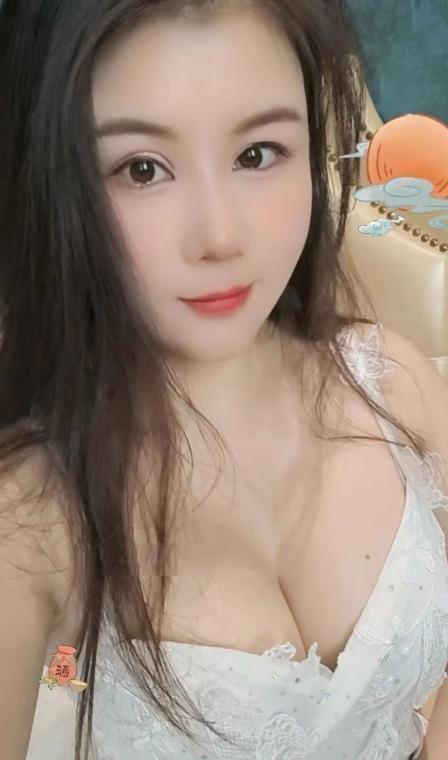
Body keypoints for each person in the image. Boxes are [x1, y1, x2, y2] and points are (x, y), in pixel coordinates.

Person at [0, 1, 447, 759]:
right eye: (143, 169)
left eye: (257, 154)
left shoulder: (394, 383)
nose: (220, 236)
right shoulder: (30, 520)